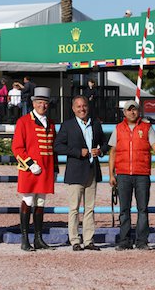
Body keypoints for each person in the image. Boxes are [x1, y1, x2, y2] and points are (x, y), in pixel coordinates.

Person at [108, 100, 155, 251]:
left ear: (139, 112)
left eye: (134, 110)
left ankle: (142, 241)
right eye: (129, 110)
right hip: (123, 174)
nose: (132, 112)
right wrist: (111, 174)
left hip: (142, 173)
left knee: (142, 209)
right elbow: (113, 152)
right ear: (124, 112)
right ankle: (124, 240)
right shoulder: (118, 128)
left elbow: (154, 146)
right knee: (124, 209)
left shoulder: (147, 128)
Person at [54, 95, 108, 251]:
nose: (82, 109)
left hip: (92, 170)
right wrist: (78, 152)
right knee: (74, 208)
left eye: (84, 106)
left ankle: (89, 240)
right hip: (75, 171)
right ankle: (74, 240)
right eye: (78, 106)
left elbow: (105, 143)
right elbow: (58, 146)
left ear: (87, 107)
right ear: (73, 108)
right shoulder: (68, 125)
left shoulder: (96, 124)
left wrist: (100, 151)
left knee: (90, 208)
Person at [12, 87, 57, 251]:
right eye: (39, 102)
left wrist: (55, 168)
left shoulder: (50, 123)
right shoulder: (23, 122)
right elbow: (17, 147)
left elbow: (53, 148)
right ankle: (25, 240)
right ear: (33, 103)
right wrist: (30, 164)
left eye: (45, 103)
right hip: (30, 170)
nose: (42, 106)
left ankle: (38, 238)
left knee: (41, 202)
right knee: (28, 201)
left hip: (45, 170)